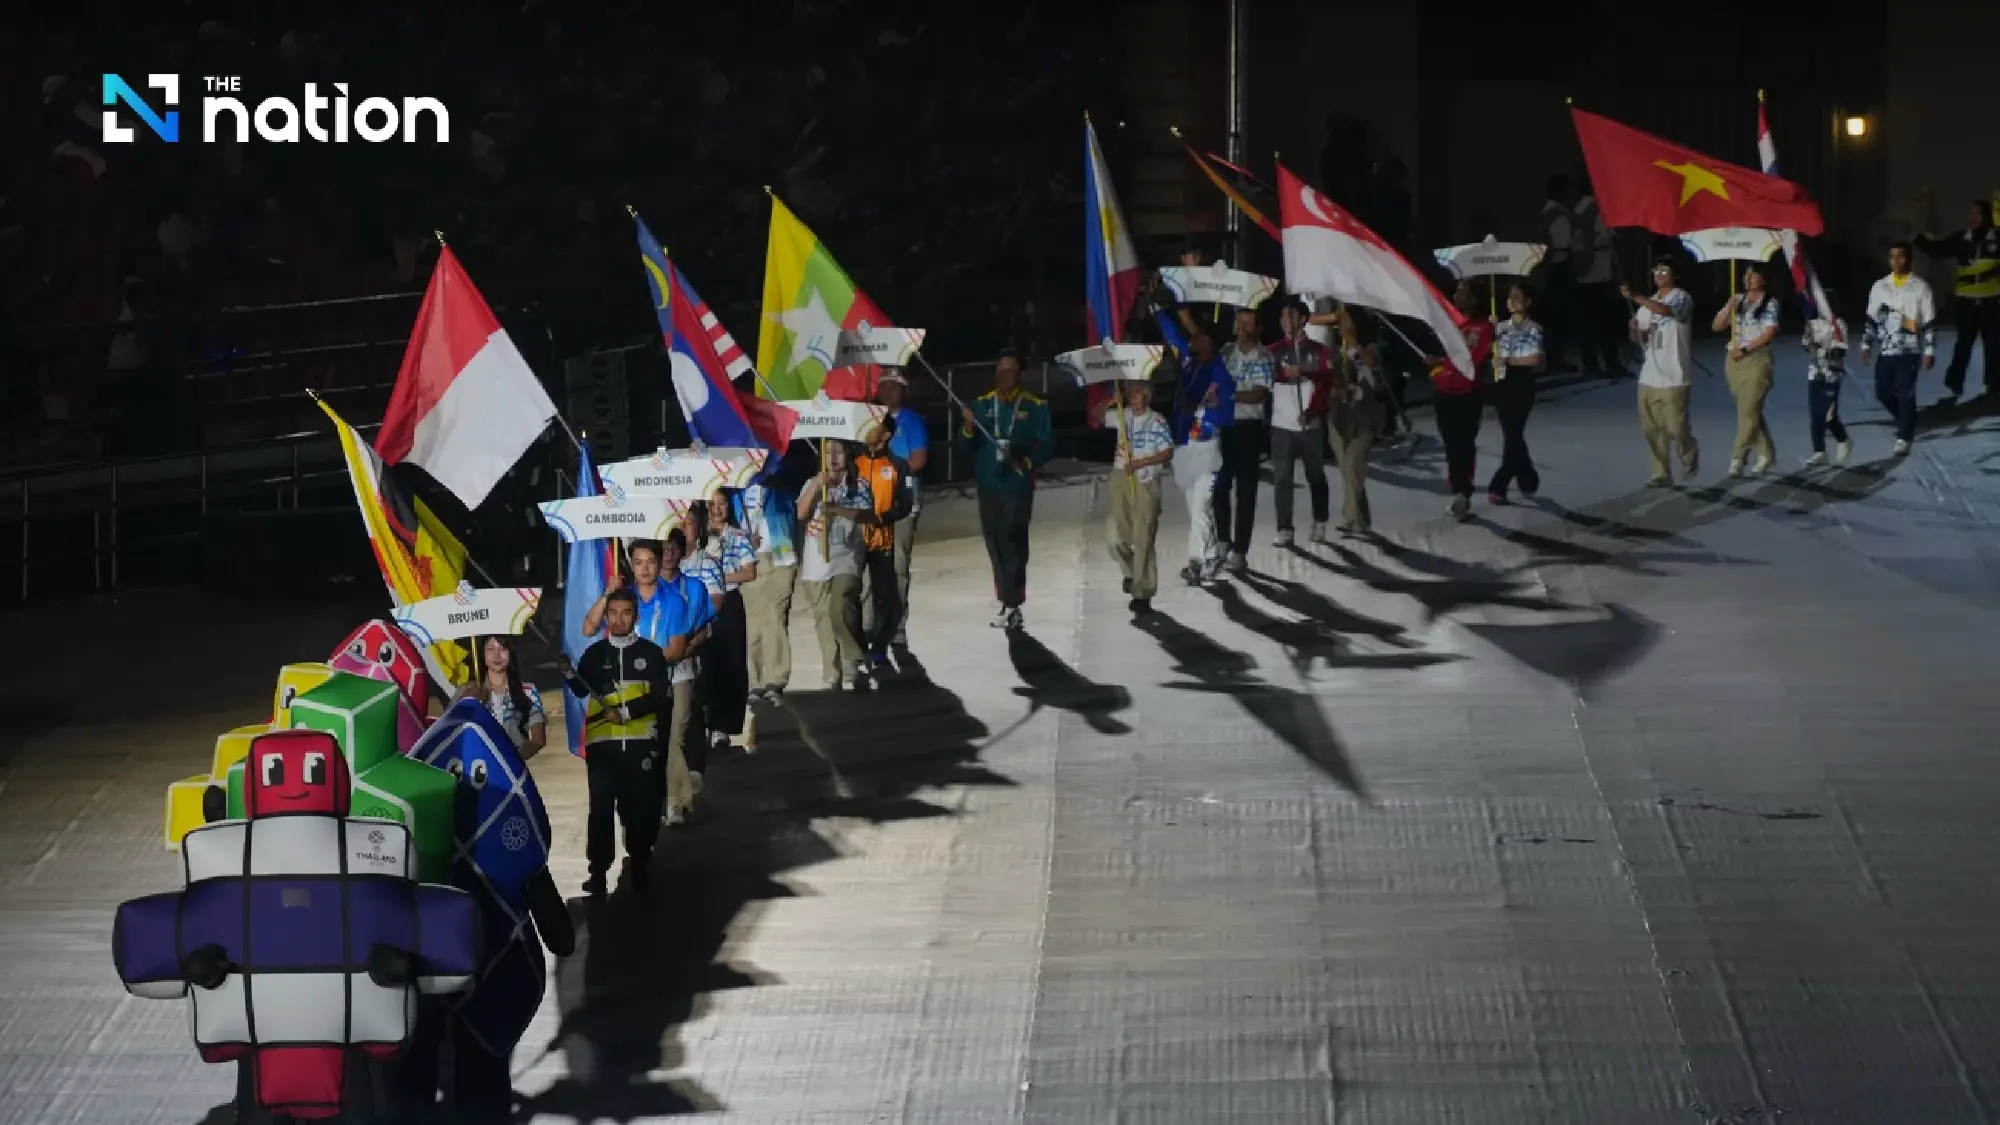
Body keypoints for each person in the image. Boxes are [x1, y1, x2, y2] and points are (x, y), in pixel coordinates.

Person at [559, 587, 674, 895]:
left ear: (635, 616)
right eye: (613, 613)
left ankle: (639, 863)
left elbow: (660, 695)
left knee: (639, 807)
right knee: (600, 809)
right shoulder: (594, 655)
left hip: (640, 746)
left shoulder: (651, 654)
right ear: (606, 616)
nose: (619, 619)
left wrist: (625, 712)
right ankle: (597, 872)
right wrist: (569, 674)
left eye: (625, 613)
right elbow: (582, 690)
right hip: (602, 748)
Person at [956, 349, 1054, 629]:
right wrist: (967, 427)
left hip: (1017, 485)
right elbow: (964, 447)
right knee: (994, 542)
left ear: (1021, 374)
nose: (1004, 375)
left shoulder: (1035, 406)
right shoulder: (980, 406)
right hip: (989, 485)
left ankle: (1013, 602)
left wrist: (1028, 462)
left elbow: (1047, 443)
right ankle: (1005, 599)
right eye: (1000, 370)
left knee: (1013, 539)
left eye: (1010, 370)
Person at [1153, 289, 1234, 583]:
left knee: (1200, 507)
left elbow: (1226, 415)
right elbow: (1173, 335)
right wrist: (1156, 309)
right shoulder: (1189, 361)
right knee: (1196, 510)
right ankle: (1212, 555)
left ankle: (1196, 562)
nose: (1193, 339)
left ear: (1210, 343)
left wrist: (1200, 409)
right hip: (1184, 448)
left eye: (1199, 336)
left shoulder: (1220, 374)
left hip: (1207, 450)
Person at [1092, 377, 1174, 613]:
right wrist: (1110, 400)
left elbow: (1167, 451)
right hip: (1120, 477)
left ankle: (1143, 591)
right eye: (1130, 392)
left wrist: (1141, 462)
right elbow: (1095, 418)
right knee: (1115, 538)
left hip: (1145, 481)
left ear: (1148, 396)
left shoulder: (1156, 421)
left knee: (1143, 538)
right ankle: (1130, 572)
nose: (1133, 397)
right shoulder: (1122, 414)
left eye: (1138, 392)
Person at [860, 370, 929, 651]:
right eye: (883, 385)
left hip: (901, 501)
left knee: (898, 563)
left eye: (894, 386)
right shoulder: (868, 418)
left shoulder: (913, 421)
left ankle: (897, 625)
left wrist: (890, 476)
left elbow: (919, 459)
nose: (887, 390)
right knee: (865, 562)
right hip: (869, 502)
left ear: (904, 390)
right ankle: (867, 624)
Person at [795, 441, 871, 689]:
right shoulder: (813, 483)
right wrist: (817, 486)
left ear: (847, 454)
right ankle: (832, 670)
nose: (834, 457)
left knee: (840, 606)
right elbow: (801, 513)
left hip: (846, 557)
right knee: (823, 620)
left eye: (839, 451)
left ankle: (852, 657)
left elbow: (868, 515)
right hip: (817, 559)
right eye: (828, 451)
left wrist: (837, 509)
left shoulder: (858, 484)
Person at [685, 496, 756, 753]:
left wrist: (716, 577)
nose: (716, 509)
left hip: (727, 604)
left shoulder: (736, 535)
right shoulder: (689, 538)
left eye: (722, 504)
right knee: (702, 665)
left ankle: (722, 727)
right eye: (711, 505)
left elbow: (750, 571)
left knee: (730, 664)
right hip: (694, 606)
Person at [1624, 258, 1699, 487]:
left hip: (1674, 375)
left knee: (1676, 428)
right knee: (1652, 429)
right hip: (1649, 375)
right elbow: (1640, 338)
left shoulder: (1681, 297)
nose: (1658, 273)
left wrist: (1635, 296)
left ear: (1675, 275)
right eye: (1656, 270)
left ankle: (1689, 451)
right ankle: (1660, 473)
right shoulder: (1648, 303)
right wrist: (1635, 331)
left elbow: (1666, 311)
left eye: (1664, 270)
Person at [1914, 197, 1999, 400]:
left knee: (1994, 346)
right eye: (1971, 213)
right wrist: (1916, 238)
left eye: (1977, 213)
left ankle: (1994, 384)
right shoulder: (1962, 238)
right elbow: (1938, 249)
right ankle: (1955, 381)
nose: (1973, 217)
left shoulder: (1997, 238)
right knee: (1963, 345)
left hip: (1991, 303)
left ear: (1986, 216)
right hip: (1966, 303)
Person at [1861, 241, 1938, 457]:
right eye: (1892, 256)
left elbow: (1929, 321)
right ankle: (1907, 419)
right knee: (1883, 392)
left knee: (1905, 393)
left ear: (1909, 259)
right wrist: (1866, 344)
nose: (1896, 261)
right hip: (1886, 350)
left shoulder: (1920, 287)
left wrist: (1929, 350)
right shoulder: (1880, 287)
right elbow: (1871, 319)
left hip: (1910, 351)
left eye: (1900, 256)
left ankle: (1904, 435)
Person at [1267, 298, 1334, 546]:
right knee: (1282, 479)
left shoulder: (1318, 350)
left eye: (1291, 315)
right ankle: (1285, 528)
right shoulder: (1272, 351)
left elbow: (1326, 383)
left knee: (1315, 475)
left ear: (1303, 319)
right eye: (1283, 316)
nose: (1285, 321)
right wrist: (1284, 374)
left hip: (1310, 426)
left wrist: (1313, 411)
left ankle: (1320, 520)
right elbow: (1263, 377)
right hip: (1282, 425)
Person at [1427, 280, 1495, 520]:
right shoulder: (1450, 323)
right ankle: (1457, 488)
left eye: (1462, 293)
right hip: (1443, 391)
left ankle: (1463, 492)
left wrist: (1439, 362)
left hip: (1468, 393)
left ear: (1474, 299)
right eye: (1456, 291)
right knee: (1450, 444)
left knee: (1464, 444)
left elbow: (1471, 360)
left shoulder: (1484, 328)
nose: (1456, 295)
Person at [852, 417, 914, 677]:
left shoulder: (899, 465)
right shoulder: (852, 463)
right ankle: (856, 650)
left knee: (884, 597)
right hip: (853, 544)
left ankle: (879, 649)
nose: (868, 430)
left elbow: (906, 504)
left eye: (874, 425)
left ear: (887, 434)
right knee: (851, 596)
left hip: (882, 541)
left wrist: (884, 517)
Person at [1213, 307, 1273, 568]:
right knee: (1219, 486)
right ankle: (1222, 540)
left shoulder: (1264, 356)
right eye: (1239, 322)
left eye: (1248, 324)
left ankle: (1240, 551)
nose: (1241, 328)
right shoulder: (1225, 352)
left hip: (1249, 427)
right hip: (1223, 426)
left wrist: (1228, 395)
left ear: (1258, 329)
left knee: (1246, 491)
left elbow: (1257, 395)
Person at [1713, 262, 1781, 476]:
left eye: (1753, 274)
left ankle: (1738, 457)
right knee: (1748, 410)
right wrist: (1728, 307)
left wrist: (1745, 349)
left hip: (1757, 360)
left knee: (1749, 410)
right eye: (1746, 274)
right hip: (1733, 362)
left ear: (1763, 279)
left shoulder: (1770, 302)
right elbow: (1716, 326)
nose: (1748, 278)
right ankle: (1767, 452)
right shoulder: (1738, 300)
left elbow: (1769, 332)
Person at [740, 467, 800, 705]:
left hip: (781, 557)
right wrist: (744, 539)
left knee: (775, 616)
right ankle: (755, 682)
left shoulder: (782, 487)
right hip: (751, 561)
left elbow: (800, 513)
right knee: (753, 623)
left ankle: (776, 679)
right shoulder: (734, 494)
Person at [1325, 305, 1384, 535]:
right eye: (1340, 321)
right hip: (1338, 418)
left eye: (1347, 320)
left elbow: (1373, 365)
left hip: (1364, 417)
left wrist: (1355, 345)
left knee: (1352, 465)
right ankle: (1361, 514)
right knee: (1350, 471)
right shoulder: (1332, 352)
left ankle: (1349, 518)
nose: (1343, 325)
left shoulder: (1370, 348)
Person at [1488, 282, 1546, 503]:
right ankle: (1528, 476)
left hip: (1522, 384)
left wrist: (1508, 360)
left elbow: (1535, 360)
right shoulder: (1500, 327)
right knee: (1512, 435)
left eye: (1517, 297)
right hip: (1502, 383)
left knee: (1513, 434)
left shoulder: (1534, 328)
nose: (1512, 301)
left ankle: (1499, 483)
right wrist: (1491, 333)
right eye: (1509, 297)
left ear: (1528, 302)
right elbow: (1490, 350)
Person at [453, 636, 548, 758]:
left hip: (512, 769)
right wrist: (466, 700)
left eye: (503, 649)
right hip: (475, 767)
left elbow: (538, 740)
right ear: (482, 653)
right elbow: (447, 728)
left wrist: (512, 761)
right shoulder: (466, 690)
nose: (497, 655)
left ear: (511, 652)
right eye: (490, 649)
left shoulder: (528, 691)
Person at [1571, 178, 1622, 377]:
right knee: (1599, 322)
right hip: (1593, 269)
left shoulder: (1586, 207)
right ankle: (1601, 363)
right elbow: (1588, 238)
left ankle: (1600, 362)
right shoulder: (1588, 208)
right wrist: (1609, 237)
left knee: (1597, 322)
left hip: (1600, 268)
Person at [1802, 302, 1851, 467]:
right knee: (1815, 415)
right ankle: (1819, 452)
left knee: (1829, 415)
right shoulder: (1812, 324)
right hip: (1815, 374)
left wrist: (1820, 350)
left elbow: (1839, 351)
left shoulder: (1839, 325)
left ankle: (1843, 439)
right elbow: (1806, 346)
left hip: (1832, 375)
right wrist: (1809, 340)